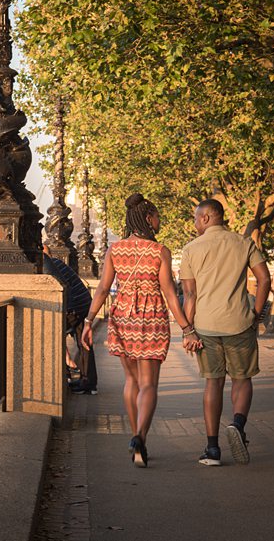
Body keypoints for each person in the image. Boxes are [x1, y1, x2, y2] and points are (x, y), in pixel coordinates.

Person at [81, 193, 194, 468]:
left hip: (122, 318)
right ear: (147, 218)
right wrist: (187, 329)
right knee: (148, 384)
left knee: (131, 381)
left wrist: (88, 321)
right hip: (151, 319)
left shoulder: (114, 250)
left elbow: (103, 289)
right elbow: (169, 293)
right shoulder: (160, 252)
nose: (159, 220)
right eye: (156, 216)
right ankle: (141, 436)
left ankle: (135, 439)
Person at [179, 199, 271, 467]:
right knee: (242, 380)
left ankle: (212, 449)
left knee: (213, 383)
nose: (195, 224)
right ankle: (238, 425)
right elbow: (265, 279)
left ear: (207, 218)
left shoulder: (191, 249)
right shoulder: (244, 243)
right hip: (240, 323)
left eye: (197, 219)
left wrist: (188, 330)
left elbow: (190, 294)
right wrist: (256, 313)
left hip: (206, 326)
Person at [43, 245, 97, 395]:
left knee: (54, 333)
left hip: (75, 306)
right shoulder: (58, 263)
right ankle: (88, 382)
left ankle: (69, 376)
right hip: (84, 303)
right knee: (84, 342)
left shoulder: (47, 264)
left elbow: (61, 288)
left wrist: (67, 311)